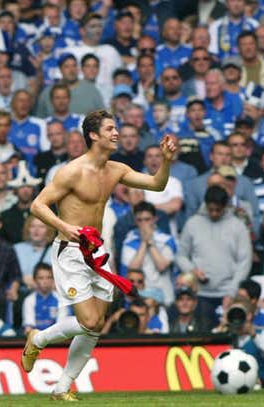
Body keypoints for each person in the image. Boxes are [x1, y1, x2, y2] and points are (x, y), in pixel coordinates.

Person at [21, 110, 176, 400]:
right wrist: (64, 226)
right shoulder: (71, 171)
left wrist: (166, 162)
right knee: (88, 321)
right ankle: (37, 338)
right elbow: (38, 206)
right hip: (71, 251)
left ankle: (61, 388)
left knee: (96, 326)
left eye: (115, 128)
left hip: (98, 251)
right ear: (94, 135)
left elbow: (157, 184)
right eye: (110, 128)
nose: (116, 133)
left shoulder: (115, 169)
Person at [177, 185, 252, 325]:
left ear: (225, 206)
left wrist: (231, 291)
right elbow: (181, 256)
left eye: (218, 210)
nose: (214, 213)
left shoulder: (238, 226)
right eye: (211, 209)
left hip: (228, 294)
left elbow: (244, 262)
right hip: (198, 294)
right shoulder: (192, 224)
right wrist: (192, 271)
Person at [121, 201, 176, 306]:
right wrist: (144, 242)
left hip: (165, 298)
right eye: (139, 220)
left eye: (147, 219)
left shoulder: (166, 240)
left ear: (155, 219)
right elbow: (133, 269)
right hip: (139, 300)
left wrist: (150, 242)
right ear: (135, 221)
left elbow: (162, 266)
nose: (143, 224)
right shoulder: (129, 241)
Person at [214, 297, 264, 387]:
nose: (236, 316)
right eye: (233, 313)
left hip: (262, 383)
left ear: (249, 315)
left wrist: (254, 335)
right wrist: (221, 326)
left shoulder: (262, 333)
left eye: (239, 313)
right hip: (230, 384)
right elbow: (208, 346)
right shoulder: (226, 335)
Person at [1, 161, 41, 244]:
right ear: (15, 190)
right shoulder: (6, 216)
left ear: (34, 190)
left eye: (29, 187)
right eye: (21, 187)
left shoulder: (43, 213)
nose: (25, 190)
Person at [22, 263, 68, 334]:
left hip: (56, 340)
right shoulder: (29, 300)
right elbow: (28, 329)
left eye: (49, 277)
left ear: (53, 279)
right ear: (34, 280)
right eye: (41, 278)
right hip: (36, 341)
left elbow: (62, 327)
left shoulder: (61, 299)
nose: (45, 281)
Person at [14, 214, 55, 288]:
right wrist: (21, 279)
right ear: (27, 229)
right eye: (32, 226)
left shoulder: (54, 252)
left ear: (48, 230)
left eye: (41, 226)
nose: (36, 230)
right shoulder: (17, 249)